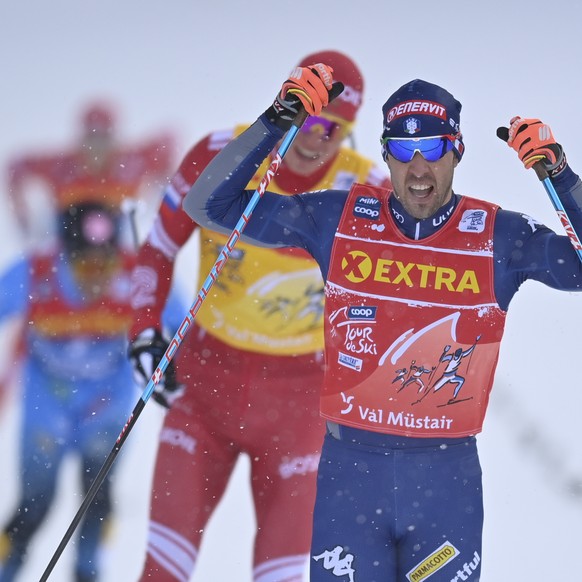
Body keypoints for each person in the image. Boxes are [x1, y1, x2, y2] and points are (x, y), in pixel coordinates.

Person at [183, 63, 582, 581]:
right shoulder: (338, 217)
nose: (419, 167)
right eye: (401, 150)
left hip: (445, 482)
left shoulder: (499, 237)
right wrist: (277, 121)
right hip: (352, 478)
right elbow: (208, 205)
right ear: (385, 153)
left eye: (434, 148)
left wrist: (560, 175)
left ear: (457, 151)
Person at [127, 50, 391, 581]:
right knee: (163, 570)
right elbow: (157, 247)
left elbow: (397, 298)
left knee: (282, 575)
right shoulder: (221, 153)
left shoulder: (368, 191)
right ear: (287, 103)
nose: (319, 138)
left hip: (299, 408)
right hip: (204, 389)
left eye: (337, 130)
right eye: (311, 118)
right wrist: (143, 335)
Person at [0, 202, 137, 582]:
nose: (97, 276)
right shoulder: (36, 272)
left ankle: (88, 572)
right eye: (85, 264)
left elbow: (182, 330)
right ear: (65, 255)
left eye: (105, 263)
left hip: (107, 410)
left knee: (98, 500)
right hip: (47, 411)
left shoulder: (135, 272)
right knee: (34, 505)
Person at [7, 100, 175, 240]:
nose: (97, 147)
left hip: (119, 243)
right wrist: (23, 216)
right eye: (91, 138)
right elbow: (16, 166)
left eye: (103, 139)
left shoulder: (133, 162)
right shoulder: (61, 167)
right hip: (66, 244)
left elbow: (169, 141)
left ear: (114, 138)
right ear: (81, 139)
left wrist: (164, 198)